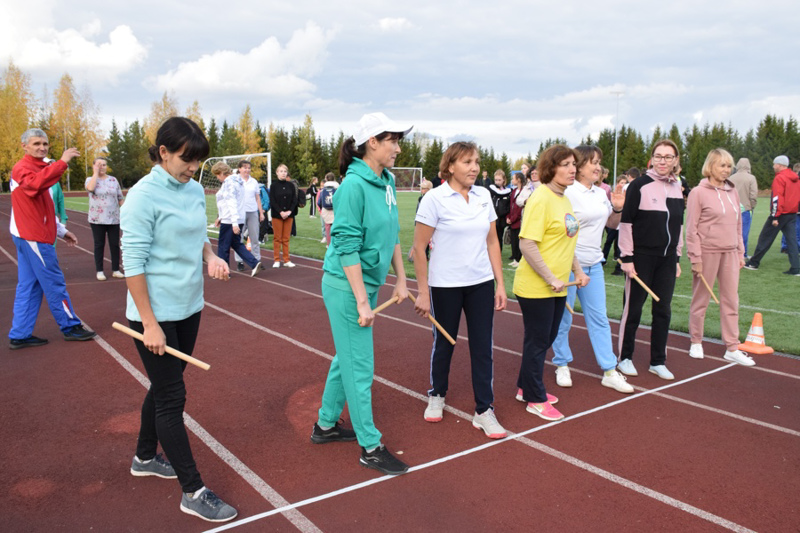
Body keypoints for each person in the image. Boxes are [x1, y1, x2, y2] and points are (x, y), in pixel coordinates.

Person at [121, 117, 237, 522]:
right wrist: (149, 323)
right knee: (172, 397)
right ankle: (193, 490)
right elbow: (132, 262)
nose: (193, 169)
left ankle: (143, 456)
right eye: (187, 160)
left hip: (190, 305)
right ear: (164, 153)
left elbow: (197, 235)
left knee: (165, 385)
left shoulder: (190, 190)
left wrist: (211, 257)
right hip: (155, 314)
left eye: (198, 162)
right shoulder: (141, 196)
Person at [313, 112, 411, 476]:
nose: (398, 149)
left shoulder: (385, 181)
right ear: (373, 142)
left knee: (347, 358)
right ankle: (371, 446)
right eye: (393, 141)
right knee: (360, 368)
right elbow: (346, 245)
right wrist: (362, 300)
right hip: (345, 287)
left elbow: (393, 234)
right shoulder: (353, 186)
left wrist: (401, 279)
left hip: (365, 286)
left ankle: (325, 425)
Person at [412, 141, 508, 439]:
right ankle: (437, 393)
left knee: (483, 347)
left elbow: (493, 241)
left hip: (480, 283)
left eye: (477, 161)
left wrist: (500, 284)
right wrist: (423, 292)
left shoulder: (483, 196)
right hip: (444, 285)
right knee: (445, 343)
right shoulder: (434, 199)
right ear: (450, 166)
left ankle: (484, 410)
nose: (475, 167)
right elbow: (417, 248)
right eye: (467, 162)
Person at [551, 145, 634, 393]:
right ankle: (562, 363)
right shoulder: (566, 193)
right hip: (567, 265)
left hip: (594, 263)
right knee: (564, 318)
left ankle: (609, 369)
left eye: (599, 162)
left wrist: (617, 208)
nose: (598, 167)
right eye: (593, 162)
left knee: (599, 317)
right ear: (579, 165)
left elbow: (611, 223)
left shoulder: (600, 193)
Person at [513, 144, 586, 421]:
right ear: (550, 168)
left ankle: (525, 387)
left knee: (543, 339)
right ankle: (535, 397)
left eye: (574, 164)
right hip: (536, 287)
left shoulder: (564, 199)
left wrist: (577, 271)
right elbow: (526, 243)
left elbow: (567, 242)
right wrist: (550, 277)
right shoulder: (541, 198)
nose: (572, 169)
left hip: (557, 286)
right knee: (538, 340)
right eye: (565, 164)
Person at [8, 128, 97, 349]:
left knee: (29, 286)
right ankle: (70, 326)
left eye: (45, 143)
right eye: (36, 143)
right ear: (24, 146)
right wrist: (63, 162)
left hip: (31, 234)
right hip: (33, 236)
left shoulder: (41, 168)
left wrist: (60, 230)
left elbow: (44, 206)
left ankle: (20, 333)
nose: (42, 147)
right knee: (54, 282)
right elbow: (35, 185)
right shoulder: (23, 169)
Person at [617, 140, 684, 380]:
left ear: (676, 160)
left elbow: (678, 226)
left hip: (666, 259)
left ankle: (658, 360)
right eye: (659, 156)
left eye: (668, 157)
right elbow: (626, 223)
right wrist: (627, 257)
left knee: (663, 310)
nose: (663, 161)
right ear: (652, 158)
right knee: (633, 309)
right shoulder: (639, 185)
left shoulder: (678, 187)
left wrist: (676, 257)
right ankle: (625, 357)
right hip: (641, 258)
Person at [686, 149, 754, 366]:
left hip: (731, 253)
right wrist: (695, 257)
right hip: (707, 252)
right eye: (721, 165)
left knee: (731, 299)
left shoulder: (732, 191)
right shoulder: (698, 192)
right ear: (710, 166)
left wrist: (740, 252)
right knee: (701, 299)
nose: (726, 170)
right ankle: (696, 341)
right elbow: (691, 228)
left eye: (728, 166)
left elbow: (738, 224)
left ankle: (732, 347)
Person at [744, 155, 800, 275]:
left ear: (780, 165)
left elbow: (777, 198)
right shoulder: (795, 178)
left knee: (765, 238)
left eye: (774, 164)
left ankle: (754, 263)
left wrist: (775, 216)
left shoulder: (779, 178)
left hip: (780, 214)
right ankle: (796, 268)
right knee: (792, 241)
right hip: (792, 213)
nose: (773, 166)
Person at [211, 161, 262, 277]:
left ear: (221, 173)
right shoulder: (237, 181)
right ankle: (254, 263)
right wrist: (220, 217)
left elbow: (231, 202)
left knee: (223, 246)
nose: (217, 178)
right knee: (237, 244)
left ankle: (223, 271)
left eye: (217, 175)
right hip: (236, 217)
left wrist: (233, 222)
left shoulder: (229, 183)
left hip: (230, 220)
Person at [85, 157, 125, 281]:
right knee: (99, 244)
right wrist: (95, 174)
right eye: (99, 164)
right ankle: (100, 270)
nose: (102, 166)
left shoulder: (113, 180)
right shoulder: (90, 180)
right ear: (94, 166)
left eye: (104, 164)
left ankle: (115, 269)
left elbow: (120, 197)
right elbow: (90, 189)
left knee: (114, 244)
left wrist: (126, 210)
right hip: (97, 219)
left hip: (113, 218)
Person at [268, 164, 300, 268]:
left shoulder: (291, 185)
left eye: (285, 171)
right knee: (277, 238)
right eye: (281, 171)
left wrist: (289, 211)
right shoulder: (273, 186)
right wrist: (281, 212)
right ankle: (276, 259)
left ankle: (287, 260)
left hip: (289, 215)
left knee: (286, 238)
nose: (283, 173)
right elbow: (272, 200)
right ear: (277, 173)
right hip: (277, 215)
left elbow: (294, 199)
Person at [236, 161, 265, 268]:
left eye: (248, 168)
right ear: (239, 169)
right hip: (240, 212)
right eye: (244, 168)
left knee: (254, 237)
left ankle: (257, 260)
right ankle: (239, 261)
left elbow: (257, 198)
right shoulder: (236, 180)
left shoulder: (254, 181)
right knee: (238, 238)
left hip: (252, 211)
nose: (247, 170)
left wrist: (261, 212)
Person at [729, 158, 758, 258]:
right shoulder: (751, 178)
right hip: (745, 209)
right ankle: (743, 254)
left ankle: (731, 253)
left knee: (732, 231)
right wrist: (751, 206)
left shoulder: (731, 177)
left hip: (732, 209)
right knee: (743, 233)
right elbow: (753, 195)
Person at [407, 178, 432, 262]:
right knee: (425, 240)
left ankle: (424, 256)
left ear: (429, 189)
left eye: (423, 188)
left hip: (427, 222)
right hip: (421, 221)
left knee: (426, 240)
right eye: (421, 188)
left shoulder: (428, 198)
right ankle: (424, 256)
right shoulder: (421, 198)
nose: (421, 190)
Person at [488, 169, 511, 250]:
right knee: (491, 237)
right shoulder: (492, 187)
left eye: (499, 180)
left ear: (503, 180)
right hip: (492, 217)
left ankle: (498, 255)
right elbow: (499, 194)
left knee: (499, 237)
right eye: (496, 180)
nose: (497, 182)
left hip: (501, 218)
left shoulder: (507, 190)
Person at [318, 173, 339, 246]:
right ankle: (336, 244)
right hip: (335, 210)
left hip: (326, 210)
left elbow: (319, 201)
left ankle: (329, 244)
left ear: (326, 179)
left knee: (327, 227)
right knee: (336, 227)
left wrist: (321, 209)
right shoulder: (338, 187)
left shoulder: (323, 189)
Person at [507, 172, 523, 266]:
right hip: (512, 221)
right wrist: (508, 217)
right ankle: (515, 259)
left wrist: (512, 219)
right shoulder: (513, 191)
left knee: (518, 241)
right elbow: (511, 205)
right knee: (513, 240)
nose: (512, 180)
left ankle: (519, 259)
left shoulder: (523, 191)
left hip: (518, 221)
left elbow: (519, 208)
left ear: (519, 180)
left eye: (513, 178)